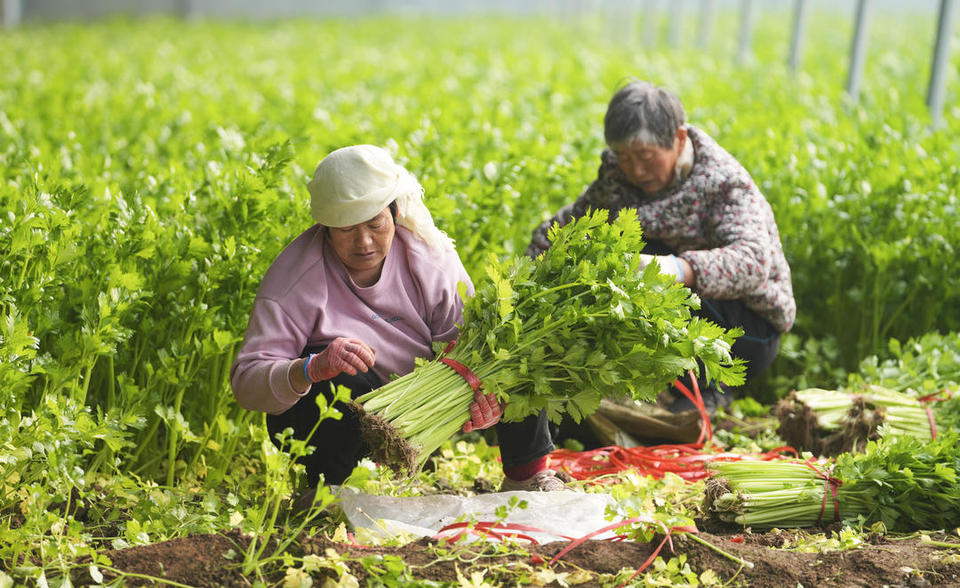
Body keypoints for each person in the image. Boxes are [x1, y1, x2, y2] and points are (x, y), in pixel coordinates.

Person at [231, 145, 563, 493]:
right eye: (346, 230)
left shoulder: (430, 259)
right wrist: (311, 368)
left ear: (394, 212)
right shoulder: (294, 281)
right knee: (336, 382)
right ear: (325, 228)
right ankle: (328, 490)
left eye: (375, 224)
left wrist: (488, 401)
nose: (363, 242)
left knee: (517, 348)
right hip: (352, 413)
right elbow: (246, 383)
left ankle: (528, 475)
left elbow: (474, 347)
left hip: (432, 402)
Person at [527, 81, 796, 414]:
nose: (635, 170)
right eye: (624, 157)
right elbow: (573, 225)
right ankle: (650, 383)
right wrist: (530, 277)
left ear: (679, 139)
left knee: (646, 253)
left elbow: (753, 262)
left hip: (745, 329)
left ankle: (707, 389)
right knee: (607, 247)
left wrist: (673, 269)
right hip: (676, 313)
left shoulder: (723, 182)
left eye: (646, 156)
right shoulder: (617, 178)